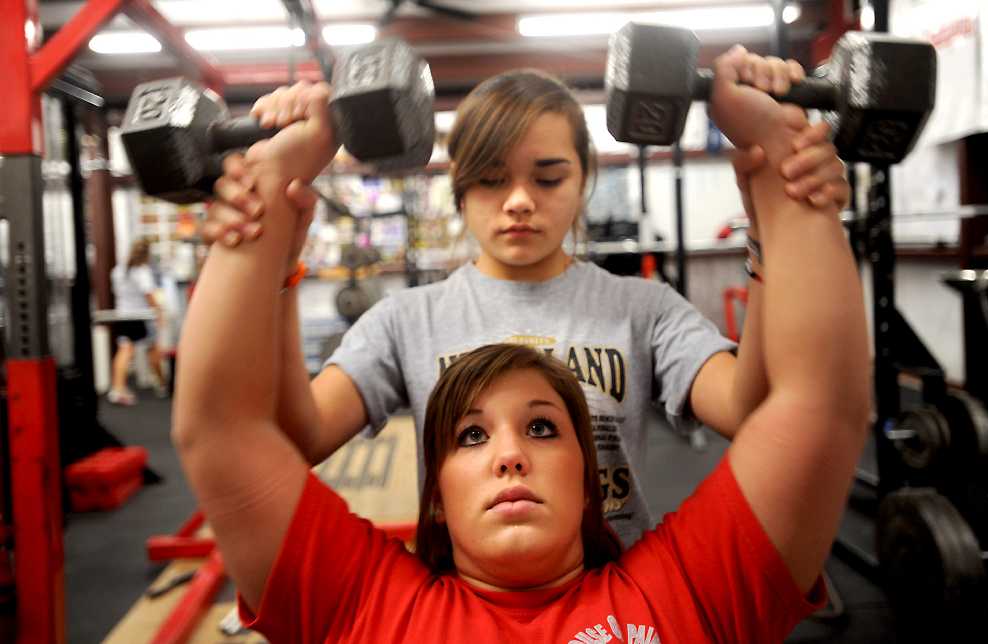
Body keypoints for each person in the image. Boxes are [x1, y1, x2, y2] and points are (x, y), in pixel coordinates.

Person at [172, 44, 870, 640]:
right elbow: (278, 437)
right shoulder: (407, 318)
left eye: (547, 176)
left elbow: (777, 415)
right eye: (489, 179)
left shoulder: (640, 306)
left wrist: (782, 200)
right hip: (458, 586)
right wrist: (271, 227)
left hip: (629, 581)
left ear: (584, 179)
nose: (518, 202)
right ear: (459, 188)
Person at [108, 238, 167, 405]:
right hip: (141, 316)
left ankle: (117, 389)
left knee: (125, 350)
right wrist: (159, 314)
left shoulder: (118, 270)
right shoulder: (142, 271)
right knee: (153, 350)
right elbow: (149, 295)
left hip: (124, 315)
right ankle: (162, 385)